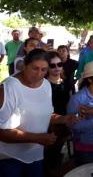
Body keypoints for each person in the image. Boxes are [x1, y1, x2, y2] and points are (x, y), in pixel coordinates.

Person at [0, 49, 77, 177]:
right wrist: (37, 138)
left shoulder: (46, 85)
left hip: (36, 156)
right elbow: (2, 133)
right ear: (25, 65)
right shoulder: (9, 88)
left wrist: (61, 118)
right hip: (9, 158)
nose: (39, 74)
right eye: (35, 68)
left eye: (44, 70)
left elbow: (44, 114)